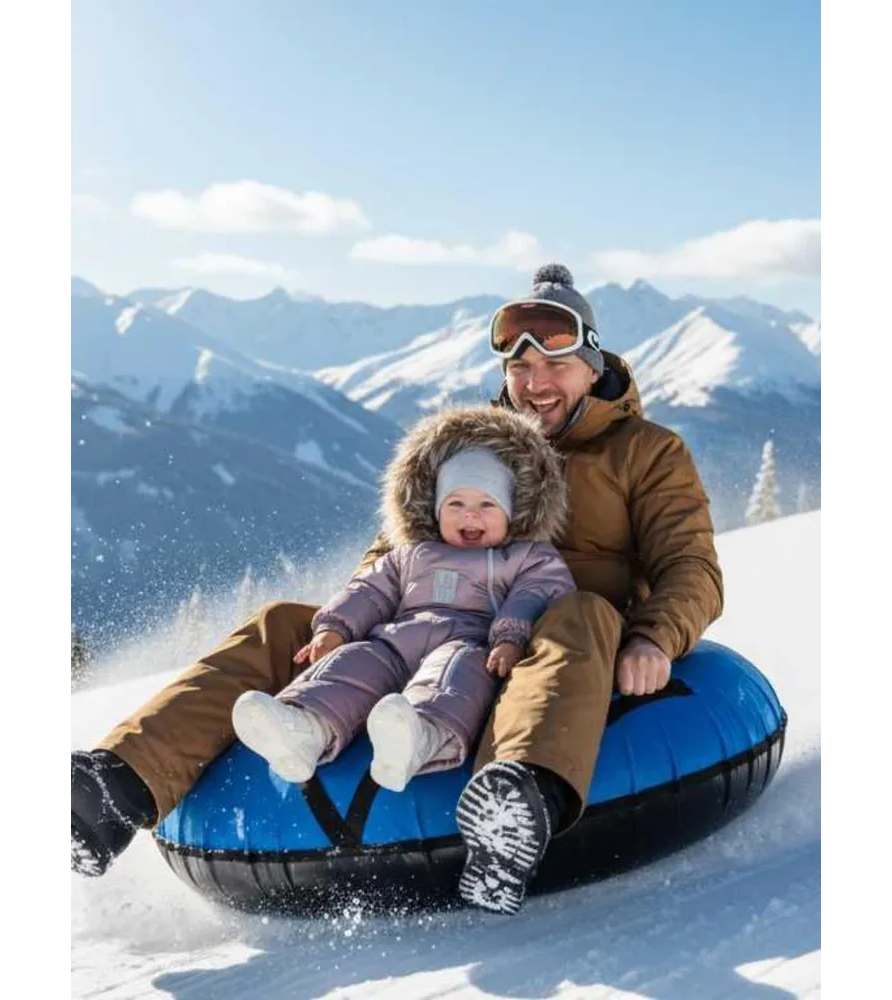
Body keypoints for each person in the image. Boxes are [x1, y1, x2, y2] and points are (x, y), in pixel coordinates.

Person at [71, 262, 723, 917]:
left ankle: (515, 805)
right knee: (286, 623)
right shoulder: (471, 450)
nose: (535, 384)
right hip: (434, 627)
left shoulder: (645, 453)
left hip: (547, 642)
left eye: (555, 365)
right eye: (520, 369)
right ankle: (113, 789)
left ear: (592, 366)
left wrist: (653, 637)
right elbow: (395, 553)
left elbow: (691, 566)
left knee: (581, 610)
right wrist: (340, 626)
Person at [229, 405, 575, 800]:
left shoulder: (527, 556)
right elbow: (369, 590)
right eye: (456, 504)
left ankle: (422, 736)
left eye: (486, 505)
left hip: (469, 643)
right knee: (354, 662)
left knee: (453, 674)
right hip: (395, 643)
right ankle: (305, 728)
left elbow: (536, 594)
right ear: (436, 510)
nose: (470, 516)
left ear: (512, 512)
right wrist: (334, 628)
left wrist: (510, 638)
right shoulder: (410, 554)